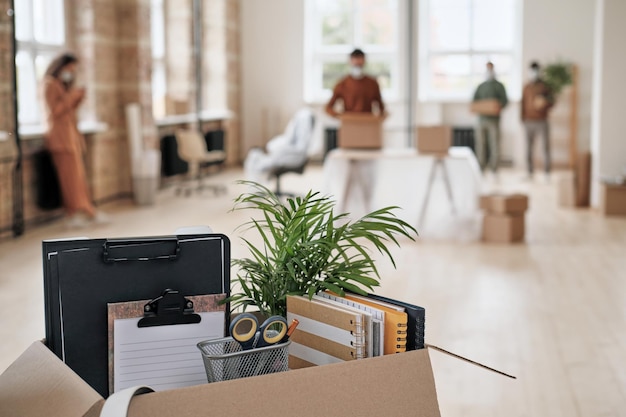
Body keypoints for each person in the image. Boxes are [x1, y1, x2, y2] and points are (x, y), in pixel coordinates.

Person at [43, 53, 108, 228]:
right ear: (61, 66)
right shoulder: (50, 84)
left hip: (71, 139)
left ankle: (87, 210)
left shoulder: (63, 86)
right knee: (69, 180)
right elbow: (55, 112)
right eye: (70, 68)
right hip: (60, 140)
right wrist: (72, 96)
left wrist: (76, 98)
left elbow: (69, 112)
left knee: (78, 179)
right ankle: (74, 213)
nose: (71, 72)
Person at [472, 61, 508, 175]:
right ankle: (481, 167)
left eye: (490, 69)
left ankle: (494, 168)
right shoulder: (480, 86)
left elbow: (505, 101)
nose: (489, 71)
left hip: (494, 120)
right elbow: (474, 102)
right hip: (481, 120)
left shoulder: (499, 86)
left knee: (494, 144)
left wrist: (499, 106)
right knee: (480, 144)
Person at [325, 49, 385, 117]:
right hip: (349, 122)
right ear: (350, 61)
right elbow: (328, 107)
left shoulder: (372, 83)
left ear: (364, 61)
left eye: (360, 60)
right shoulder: (342, 84)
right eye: (355, 60)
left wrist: (378, 117)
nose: (357, 63)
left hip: (367, 122)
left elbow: (381, 108)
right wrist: (340, 116)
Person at [521, 61, 554, 180]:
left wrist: (544, 103)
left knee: (545, 147)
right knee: (528, 148)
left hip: (542, 120)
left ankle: (547, 173)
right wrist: (522, 118)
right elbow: (522, 103)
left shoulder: (545, 86)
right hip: (528, 121)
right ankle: (530, 172)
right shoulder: (526, 87)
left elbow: (552, 102)